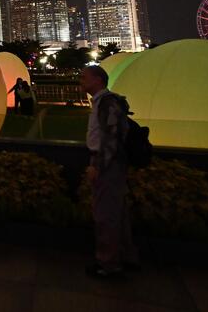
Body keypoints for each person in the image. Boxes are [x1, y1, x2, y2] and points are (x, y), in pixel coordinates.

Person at [81, 65, 139, 280]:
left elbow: (110, 138)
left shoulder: (106, 103)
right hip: (112, 164)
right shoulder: (103, 102)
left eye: (84, 77)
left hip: (107, 165)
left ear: (98, 80)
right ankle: (125, 257)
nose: (80, 80)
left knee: (106, 215)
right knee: (117, 213)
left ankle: (108, 264)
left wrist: (97, 165)